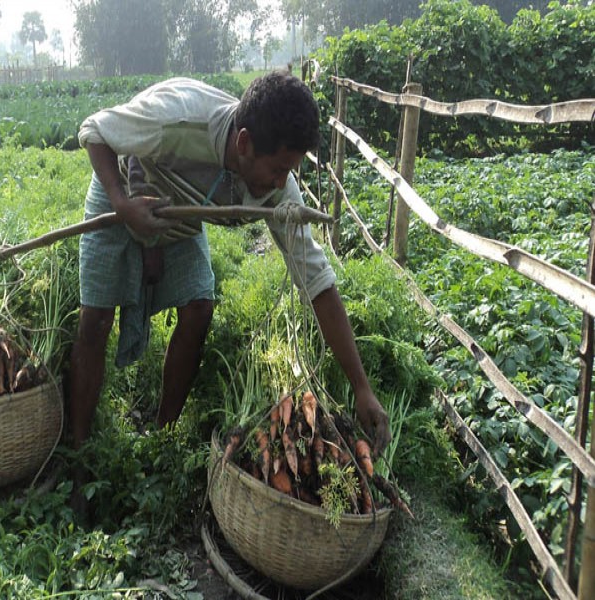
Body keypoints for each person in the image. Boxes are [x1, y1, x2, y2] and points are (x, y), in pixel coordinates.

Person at [67, 71, 391, 502]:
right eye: (278, 169)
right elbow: (94, 131)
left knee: (200, 305)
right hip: (124, 191)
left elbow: (318, 284)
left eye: (289, 172)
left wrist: (362, 387)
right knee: (96, 319)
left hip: (182, 210)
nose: (282, 184)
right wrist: (123, 203)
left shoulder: (280, 189)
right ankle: (78, 450)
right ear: (243, 144)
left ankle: (162, 437)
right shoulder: (177, 120)